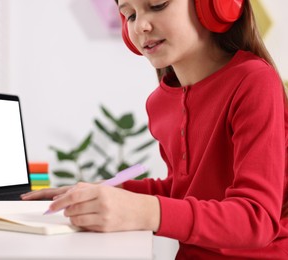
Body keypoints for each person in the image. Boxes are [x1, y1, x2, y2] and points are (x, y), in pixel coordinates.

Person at [21, 0, 288, 258]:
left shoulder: (253, 81)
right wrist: (106, 191)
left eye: (158, 5)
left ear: (212, 4)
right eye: (130, 15)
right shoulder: (159, 103)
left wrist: (145, 210)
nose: (140, 27)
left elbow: (257, 218)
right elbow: (184, 190)